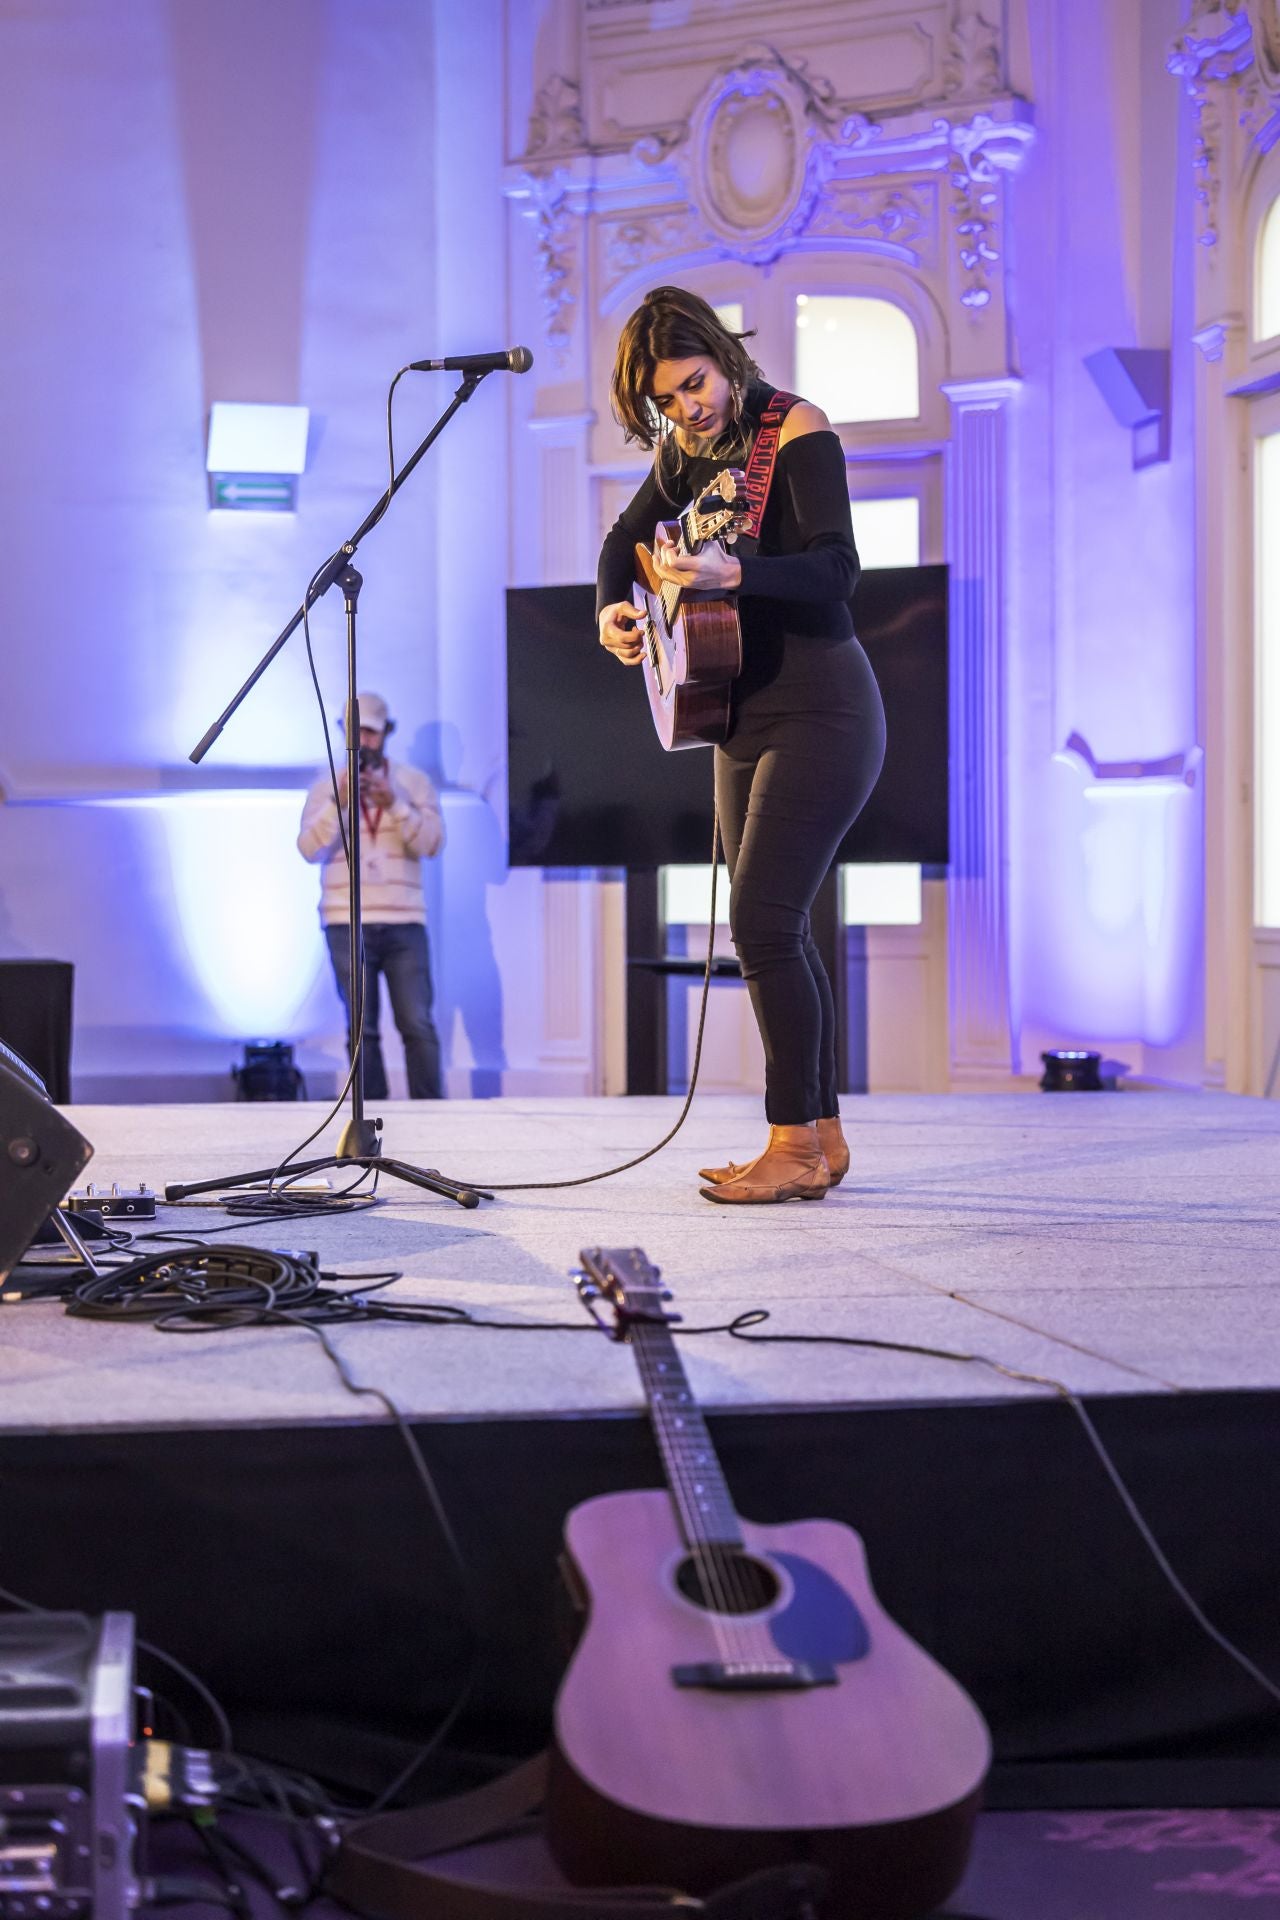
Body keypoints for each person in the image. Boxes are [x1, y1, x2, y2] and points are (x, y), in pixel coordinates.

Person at [597, 286, 886, 1204]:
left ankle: (791, 1143)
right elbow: (621, 542)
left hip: (824, 707)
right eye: (669, 400)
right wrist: (611, 608)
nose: (689, 408)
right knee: (779, 927)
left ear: (723, 355)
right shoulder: (684, 450)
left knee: (759, 923)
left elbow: (840, 567)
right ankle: (823, 1135)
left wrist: (737, 572)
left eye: (696, 384)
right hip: (732, 713)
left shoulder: (793, 427)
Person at [297, 691, 446, 1099]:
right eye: (355, 732)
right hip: (346, 921)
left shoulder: (413, 783)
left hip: (404, 919)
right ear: (343, 732)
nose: (363, 741)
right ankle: (374, 1116)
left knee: (417, 1023)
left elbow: (432, 844)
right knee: (362, 1027)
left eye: (372, 733)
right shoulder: (327, 786)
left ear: (387, 734)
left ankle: (436, 1114)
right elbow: (310, 849)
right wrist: (340, 804)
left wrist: (394, 804)